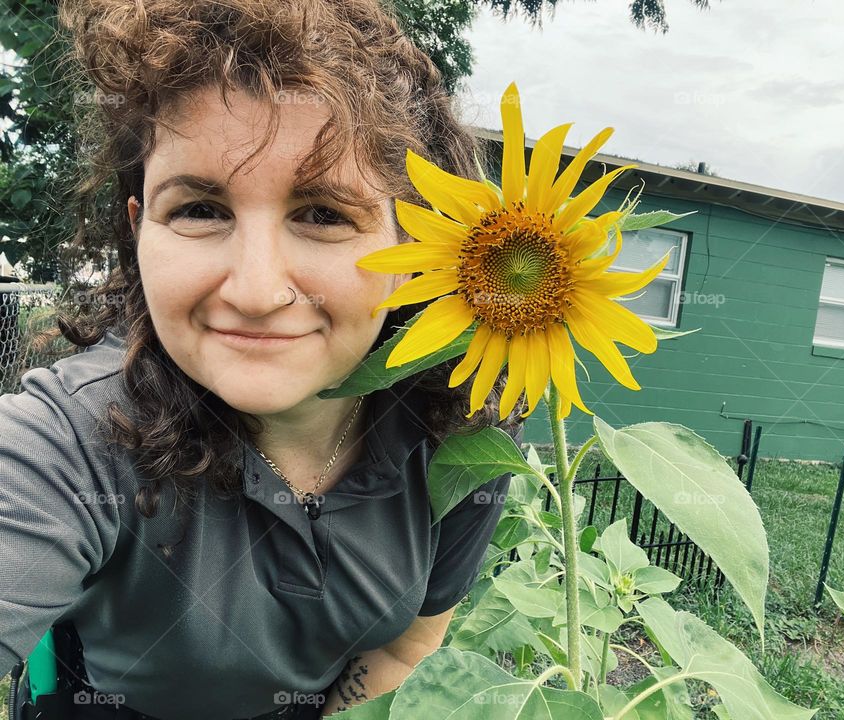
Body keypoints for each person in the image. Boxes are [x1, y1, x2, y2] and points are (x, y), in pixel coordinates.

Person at [0, 1, 523, 718]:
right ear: (138, 230)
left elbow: (402, 651)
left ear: (417, 250)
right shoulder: (71, 443)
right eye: (199, 209)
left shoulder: (464, 432)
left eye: (323, 214)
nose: (254, 290)